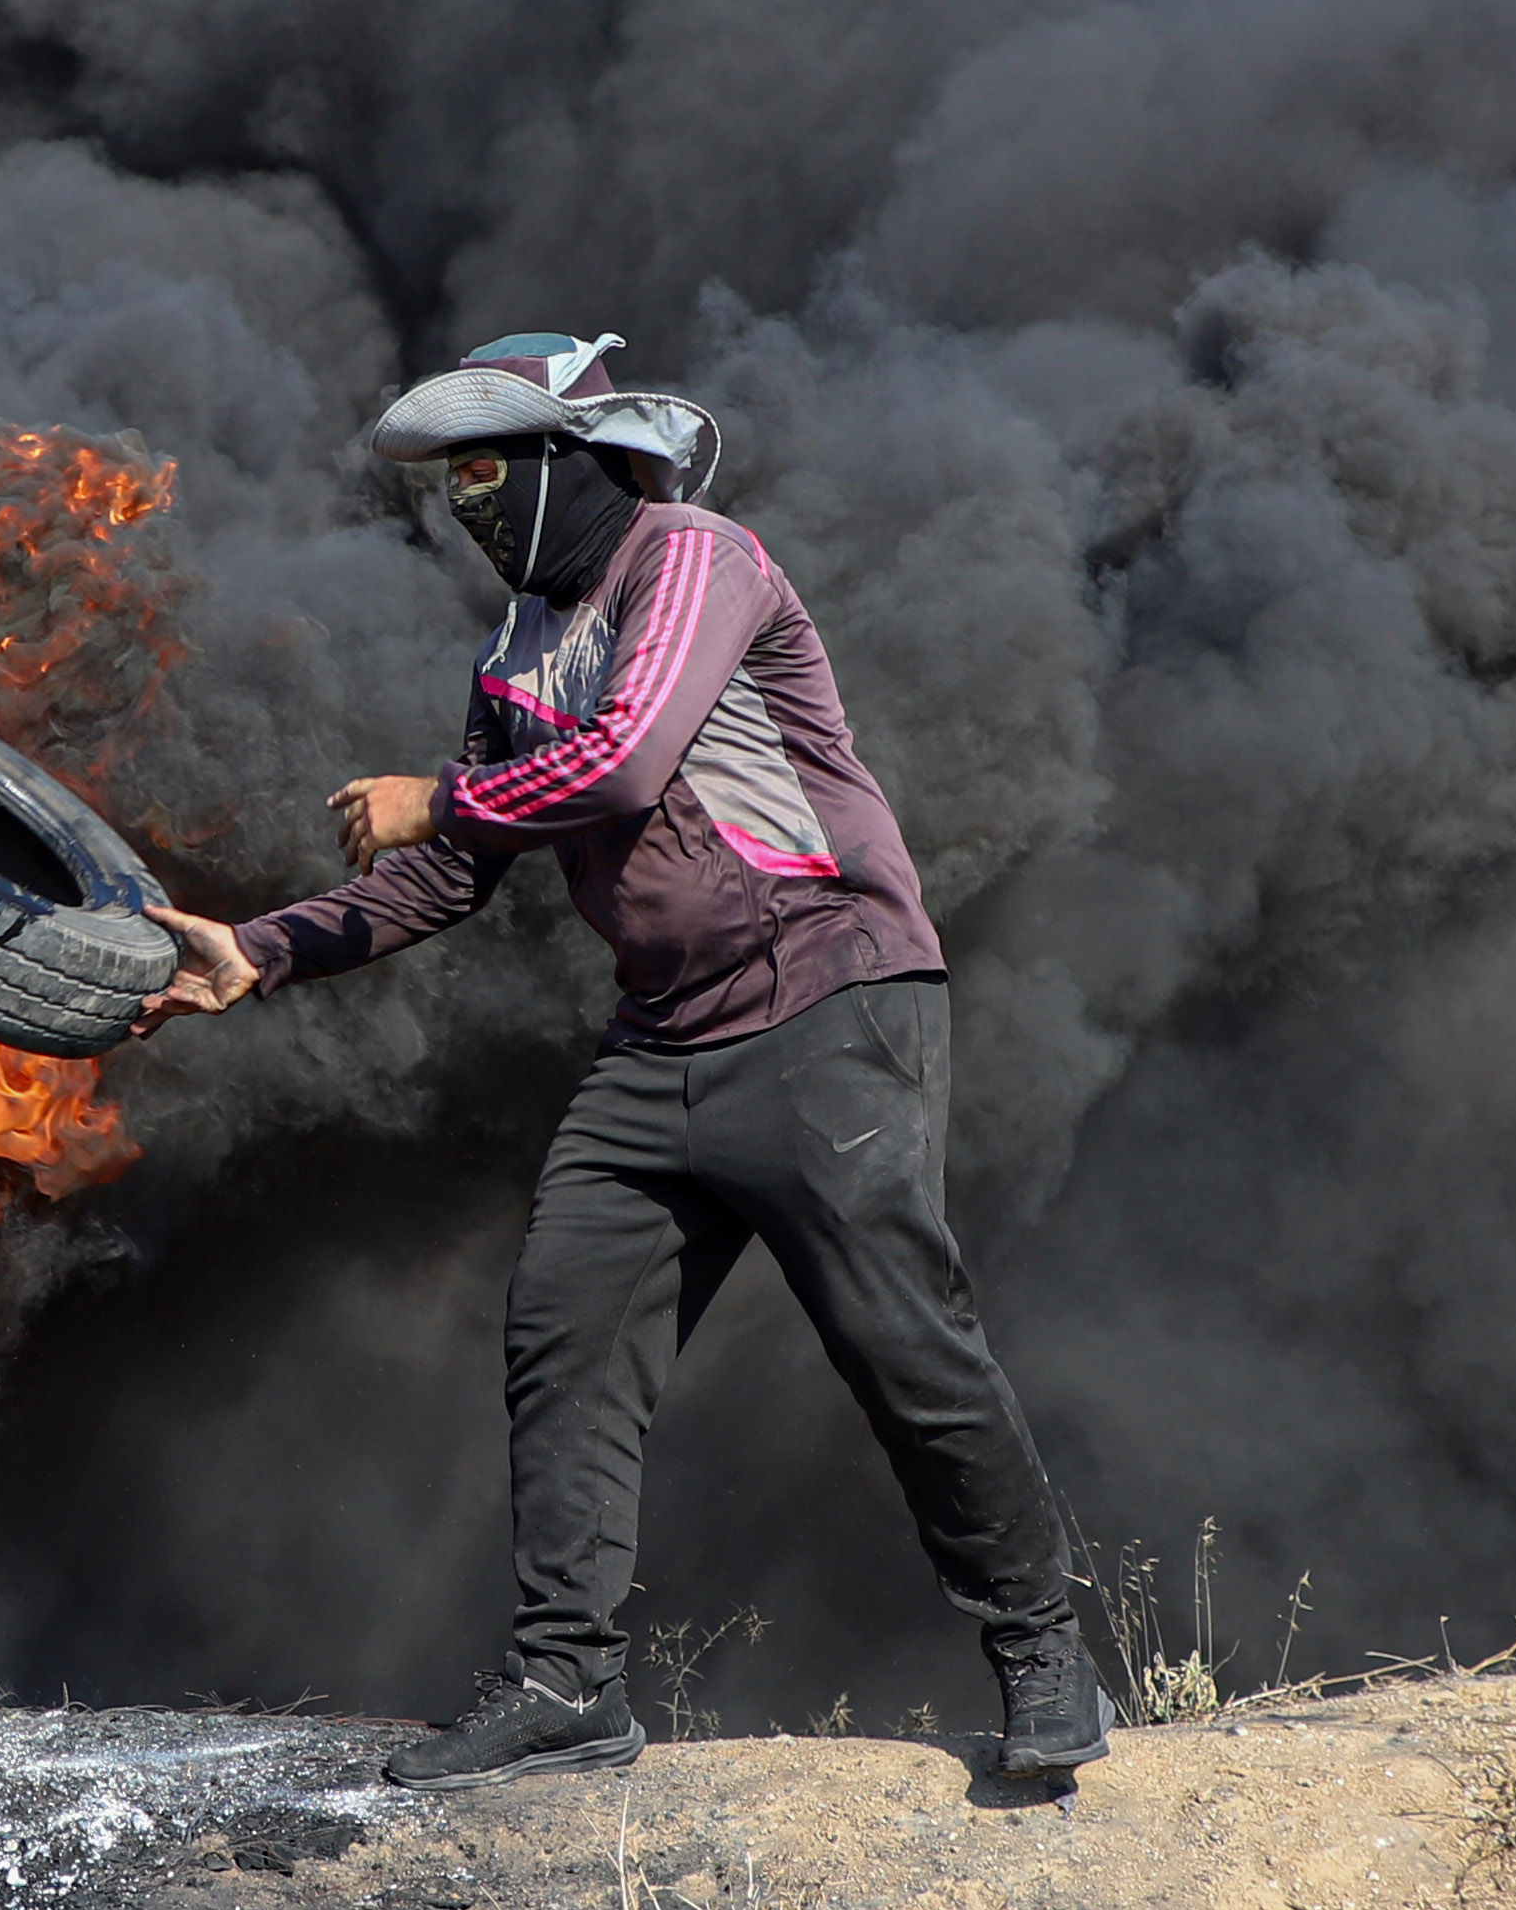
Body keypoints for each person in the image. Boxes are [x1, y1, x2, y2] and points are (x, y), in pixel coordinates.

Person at [139, 332, 1112, 1793]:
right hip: (662, 1044)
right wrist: (259, 952)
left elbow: (628, 761)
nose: (463, 504)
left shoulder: (695, 558)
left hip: (827, 1001)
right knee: (566, 1331)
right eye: (447, 479)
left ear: (563, 460)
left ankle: (1046, 1654)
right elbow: (450, 876)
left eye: (481, 469)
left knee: (903, 1340)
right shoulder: (513, 655)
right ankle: (563, 1685)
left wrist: (436, 797)